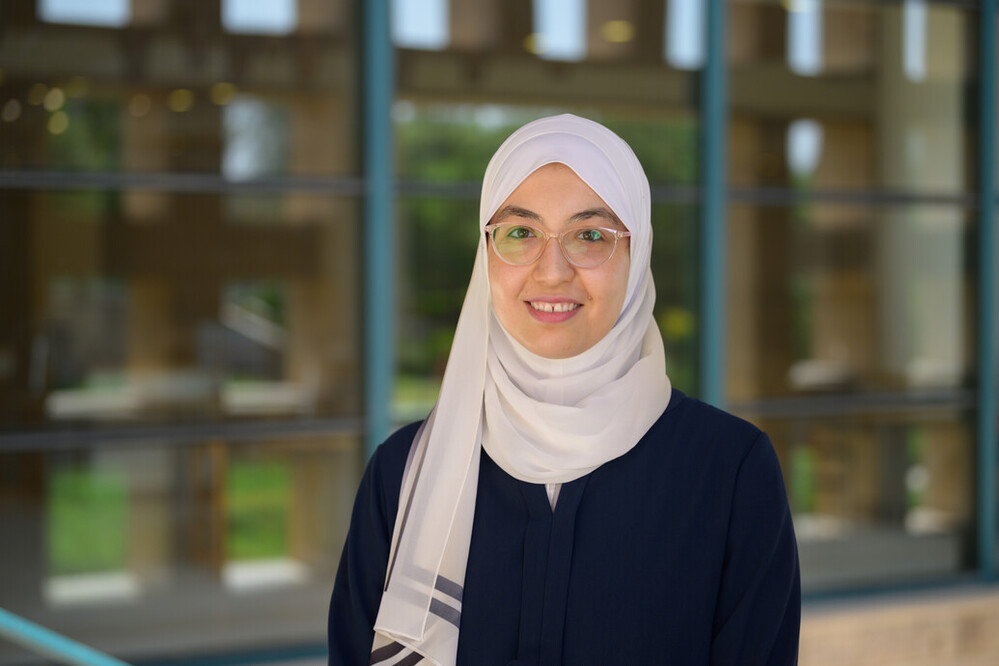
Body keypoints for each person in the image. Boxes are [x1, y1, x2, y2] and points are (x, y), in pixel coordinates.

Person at [328, 114, 800, 665]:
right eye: (520, 233)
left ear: (637, 253)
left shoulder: (730, 470)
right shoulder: (402, 474)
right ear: (487, 255)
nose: (552, 272)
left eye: (590, 235)